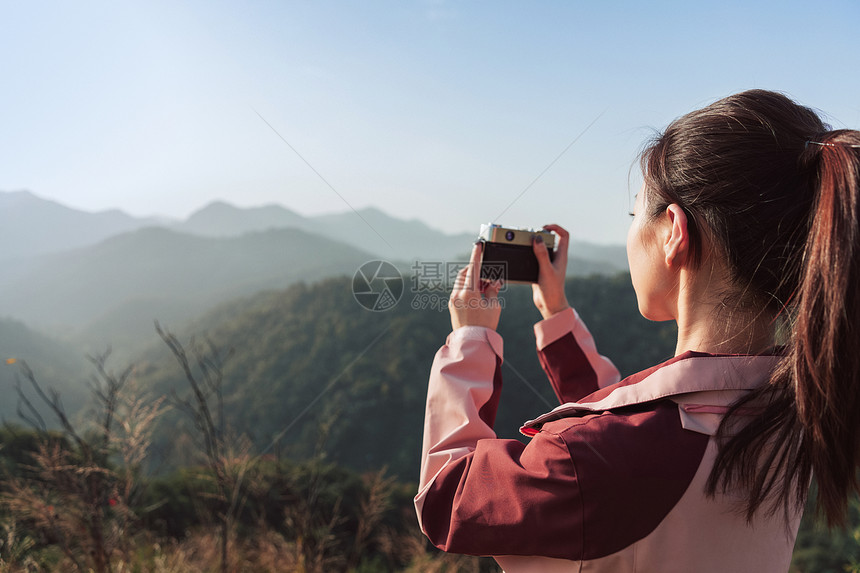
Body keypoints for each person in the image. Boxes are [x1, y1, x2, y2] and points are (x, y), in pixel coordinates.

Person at [414, 89, 860, 572]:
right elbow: (634, 416)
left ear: (674, 231)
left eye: (633, 215)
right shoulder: (793, 411)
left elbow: (447, 498)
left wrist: (470, 340)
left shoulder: (597, 458)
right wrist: (556, 312)